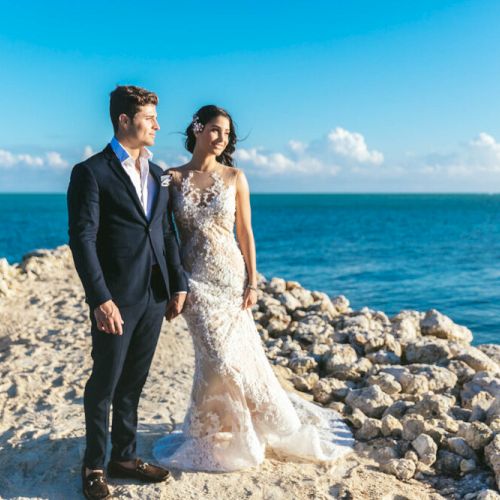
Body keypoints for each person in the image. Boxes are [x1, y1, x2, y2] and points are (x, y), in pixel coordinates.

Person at [153, 105, 354, 471]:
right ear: (196, 129)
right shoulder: (172, 178)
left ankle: (232, 425)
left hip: (230, 277)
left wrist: (252, 280)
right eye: (214, 130)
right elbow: (162, 232)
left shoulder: (235, 177)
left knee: (232, 357)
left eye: (226, 134)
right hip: (193, 280)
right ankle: (219, 426)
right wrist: (169, 281)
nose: (220, 139)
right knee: (216, 358)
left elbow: (245, 232)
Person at [67, 85, 188, 499]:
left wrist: (178, 285)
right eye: (149, 117)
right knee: (104, 383)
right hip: (115, 298)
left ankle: (124, 456)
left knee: (134, 382)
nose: (157, 124)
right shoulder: (91, 172)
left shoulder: (158, 175)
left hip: (154, 295)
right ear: (124, 120)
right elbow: (82, 238)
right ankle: (94, 466)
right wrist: (100, 299)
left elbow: (167, 234)